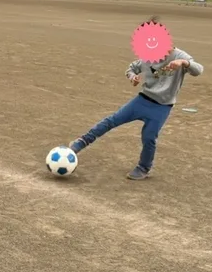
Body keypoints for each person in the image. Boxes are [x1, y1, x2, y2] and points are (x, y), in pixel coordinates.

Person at [68, 18, 203, 180]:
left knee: (149, 137)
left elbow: (198, 69)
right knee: (111, 120)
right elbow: (131, 68)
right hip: (142, 100)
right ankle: (81, 142)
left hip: (162, 107)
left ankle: (144, 168)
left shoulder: (179, 55)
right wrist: (133, 77)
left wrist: (184, 63)